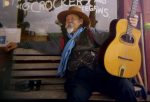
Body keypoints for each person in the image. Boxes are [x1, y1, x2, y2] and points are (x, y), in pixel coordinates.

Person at [4, 6, 139, 102]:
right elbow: (42, 46)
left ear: (81, 22)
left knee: (124, 85)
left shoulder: (92, 33)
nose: (69, 20)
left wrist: (129, 26)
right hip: (78, 79)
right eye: (67, 19)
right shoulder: (62, 39)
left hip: (99, 75)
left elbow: (116, 37)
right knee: (75, 97)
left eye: (72, 18)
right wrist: (19, 44)